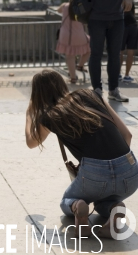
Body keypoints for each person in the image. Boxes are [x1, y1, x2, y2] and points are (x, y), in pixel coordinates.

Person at [25, 69, 137, 239]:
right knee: (102, 202)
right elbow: (127, 135)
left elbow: (31, 143)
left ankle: (79, 206)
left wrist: (29, 115)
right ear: (62, 84)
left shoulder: (50, 117)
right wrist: (115, 164)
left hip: (95, 174)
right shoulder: (91, 95)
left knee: (67, 202)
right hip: (130, 172)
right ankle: (115, 207)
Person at [76, 0, 134, 101]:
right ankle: (97, 90)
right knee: (96, 55)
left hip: (117, 18)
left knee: (115, 55)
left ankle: (114, 90)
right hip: (97, 18)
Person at [56, 1, 90, 84]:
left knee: (70, 56)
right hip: (79, 34)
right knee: (90, 48)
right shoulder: (81, 7)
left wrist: (64, 3)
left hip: (65, 35)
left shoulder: (65, 6)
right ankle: (80, 65)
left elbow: (58, 10)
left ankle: (73, 78)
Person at [120, 3, 137, 82]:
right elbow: (133, 13)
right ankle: (127, 75)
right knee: (131, 51)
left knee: (120, 51)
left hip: (121, 25)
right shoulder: (130, 0)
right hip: (133, 25)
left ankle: (117, 74)